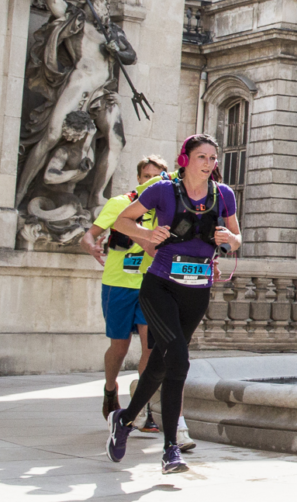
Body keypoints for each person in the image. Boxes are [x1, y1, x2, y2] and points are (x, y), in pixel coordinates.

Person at [104, 134, 242, 475]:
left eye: (213, 158)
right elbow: (121, 221)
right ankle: (170, 449)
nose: (209, 163)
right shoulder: (162, 190)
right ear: (185, 159)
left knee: (162, 363)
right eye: (202, 157)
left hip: (197, 290)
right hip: (160, 286)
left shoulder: (223, 195)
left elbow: (237, 239)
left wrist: (229, 239)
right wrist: (146, 235)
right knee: (178, 358)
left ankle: (125, 419)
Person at [81, 155, 192, 445]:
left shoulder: (166, 208)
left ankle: (141, 410)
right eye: (145, 176)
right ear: (138, 177)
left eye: (156, 176)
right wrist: (93, 246)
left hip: (149, 283)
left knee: (149, 347)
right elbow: (88, 236)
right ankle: (109, 390)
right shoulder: (120, 204)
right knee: (119, 347)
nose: (149, 181)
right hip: (117, 284)